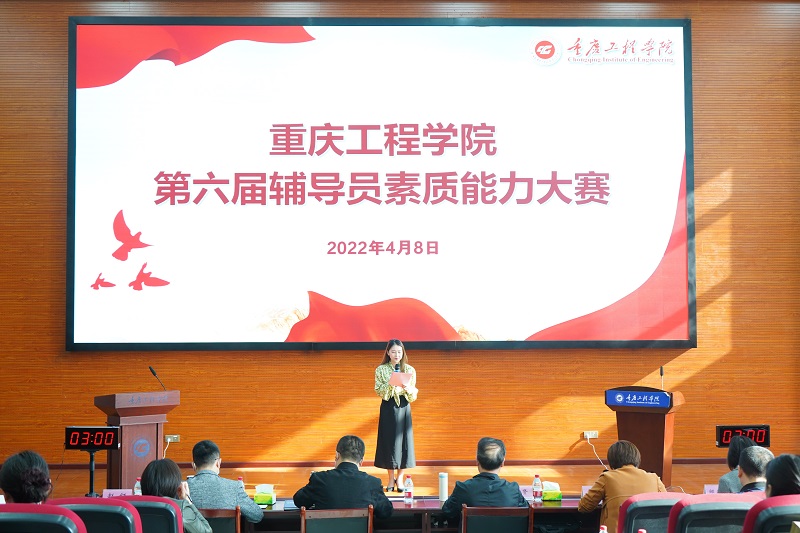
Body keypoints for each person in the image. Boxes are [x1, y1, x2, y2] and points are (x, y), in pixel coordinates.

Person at [293, 435, 393, 519]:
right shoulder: (372, 483)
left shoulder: (320, 479)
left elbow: (299, 500)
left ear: (337, 455)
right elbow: (386, 511)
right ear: (361, 461)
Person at [578, 440, 666, 533]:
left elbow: (584, 506)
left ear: (611, 460)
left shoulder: (607, 478)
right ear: (637, 457)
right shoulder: (654, 478)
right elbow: (668, 506)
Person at [441, 437, 528, 525]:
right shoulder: (513, 490)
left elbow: (447, 512)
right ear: (502, 462)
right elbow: (526, 513)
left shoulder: (463, 489)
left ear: (477, 461)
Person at [374, 339, 418, 492]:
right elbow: (379, 390)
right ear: (388, 352)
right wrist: (391, 384)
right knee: (389, 442)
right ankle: (390, 478)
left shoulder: (410, 369)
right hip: (388, 406)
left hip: (404, 407)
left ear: (403, 352)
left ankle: (400, 478)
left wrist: (407, 388)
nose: (396, 355)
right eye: (393, 351)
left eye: (399, 352)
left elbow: (413, 395)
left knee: (404, 442)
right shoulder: (381, 370)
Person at [186, 440, 264, 523]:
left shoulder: (182, 490)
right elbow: (257, 515)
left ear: (193, 465)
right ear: (218, 463)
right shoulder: (234, 487)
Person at [140, 458, 212, 533]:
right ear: (175, 484)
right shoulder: (179, 507)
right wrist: (187, 500)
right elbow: (207, 531)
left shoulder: (133, 505)